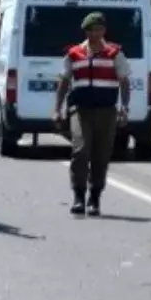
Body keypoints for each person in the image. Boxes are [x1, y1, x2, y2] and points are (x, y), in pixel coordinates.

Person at [54, 12, 130, 216]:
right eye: (92, 30)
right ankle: (78, 196)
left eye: (100, 29)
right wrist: (57, 109)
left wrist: (125, 108)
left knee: (101, 155)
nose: (96, 33)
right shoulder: (74, 54)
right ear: (86, 31)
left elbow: (124, 82)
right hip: (80, 110)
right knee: (80, 151)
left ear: (104, 31)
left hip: (107, 111)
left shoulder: (115, 53)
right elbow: (63, 82)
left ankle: (94, 198)